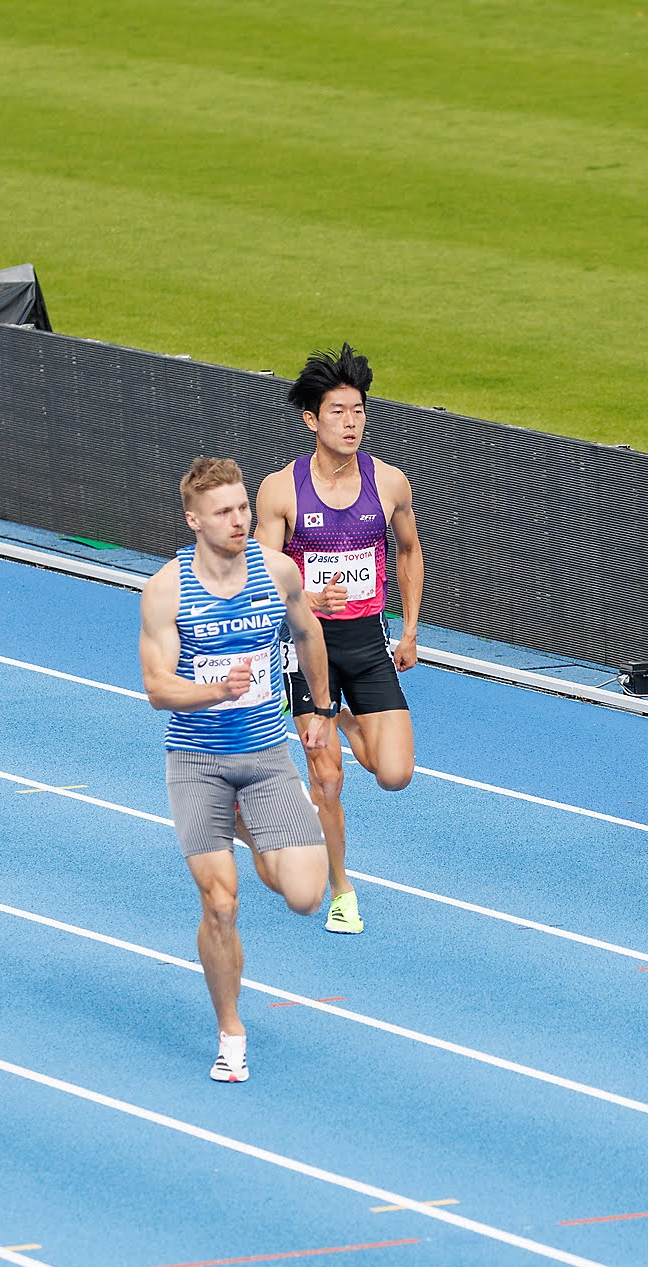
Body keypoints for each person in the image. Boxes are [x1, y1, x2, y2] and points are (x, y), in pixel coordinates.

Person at [140, 456, 336, 1083]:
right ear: (193, 520)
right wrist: (216, 691)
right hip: (196, 763)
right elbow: (157, 688)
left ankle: (247, 827)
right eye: (222, 511)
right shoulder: (167, 590)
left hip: (265, 758)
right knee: (221, 902)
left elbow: (308, 634)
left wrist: (321, 709)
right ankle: (231, 1031)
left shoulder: (277, 572)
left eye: (243, 507)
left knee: (305, 896)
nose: (237, 519)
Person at [254, 344, 422, 936]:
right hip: (306, 649)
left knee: (394, 773)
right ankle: (342, 889)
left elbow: (409, 551)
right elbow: (261, 573)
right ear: (311, 420)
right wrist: (303, 596)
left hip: (368, 642)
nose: (351, 423)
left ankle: (347, 720)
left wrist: (410, 628)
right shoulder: (280, 490)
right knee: (327, 780)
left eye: (358, 411)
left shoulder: (389, 482)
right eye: (337, 412)